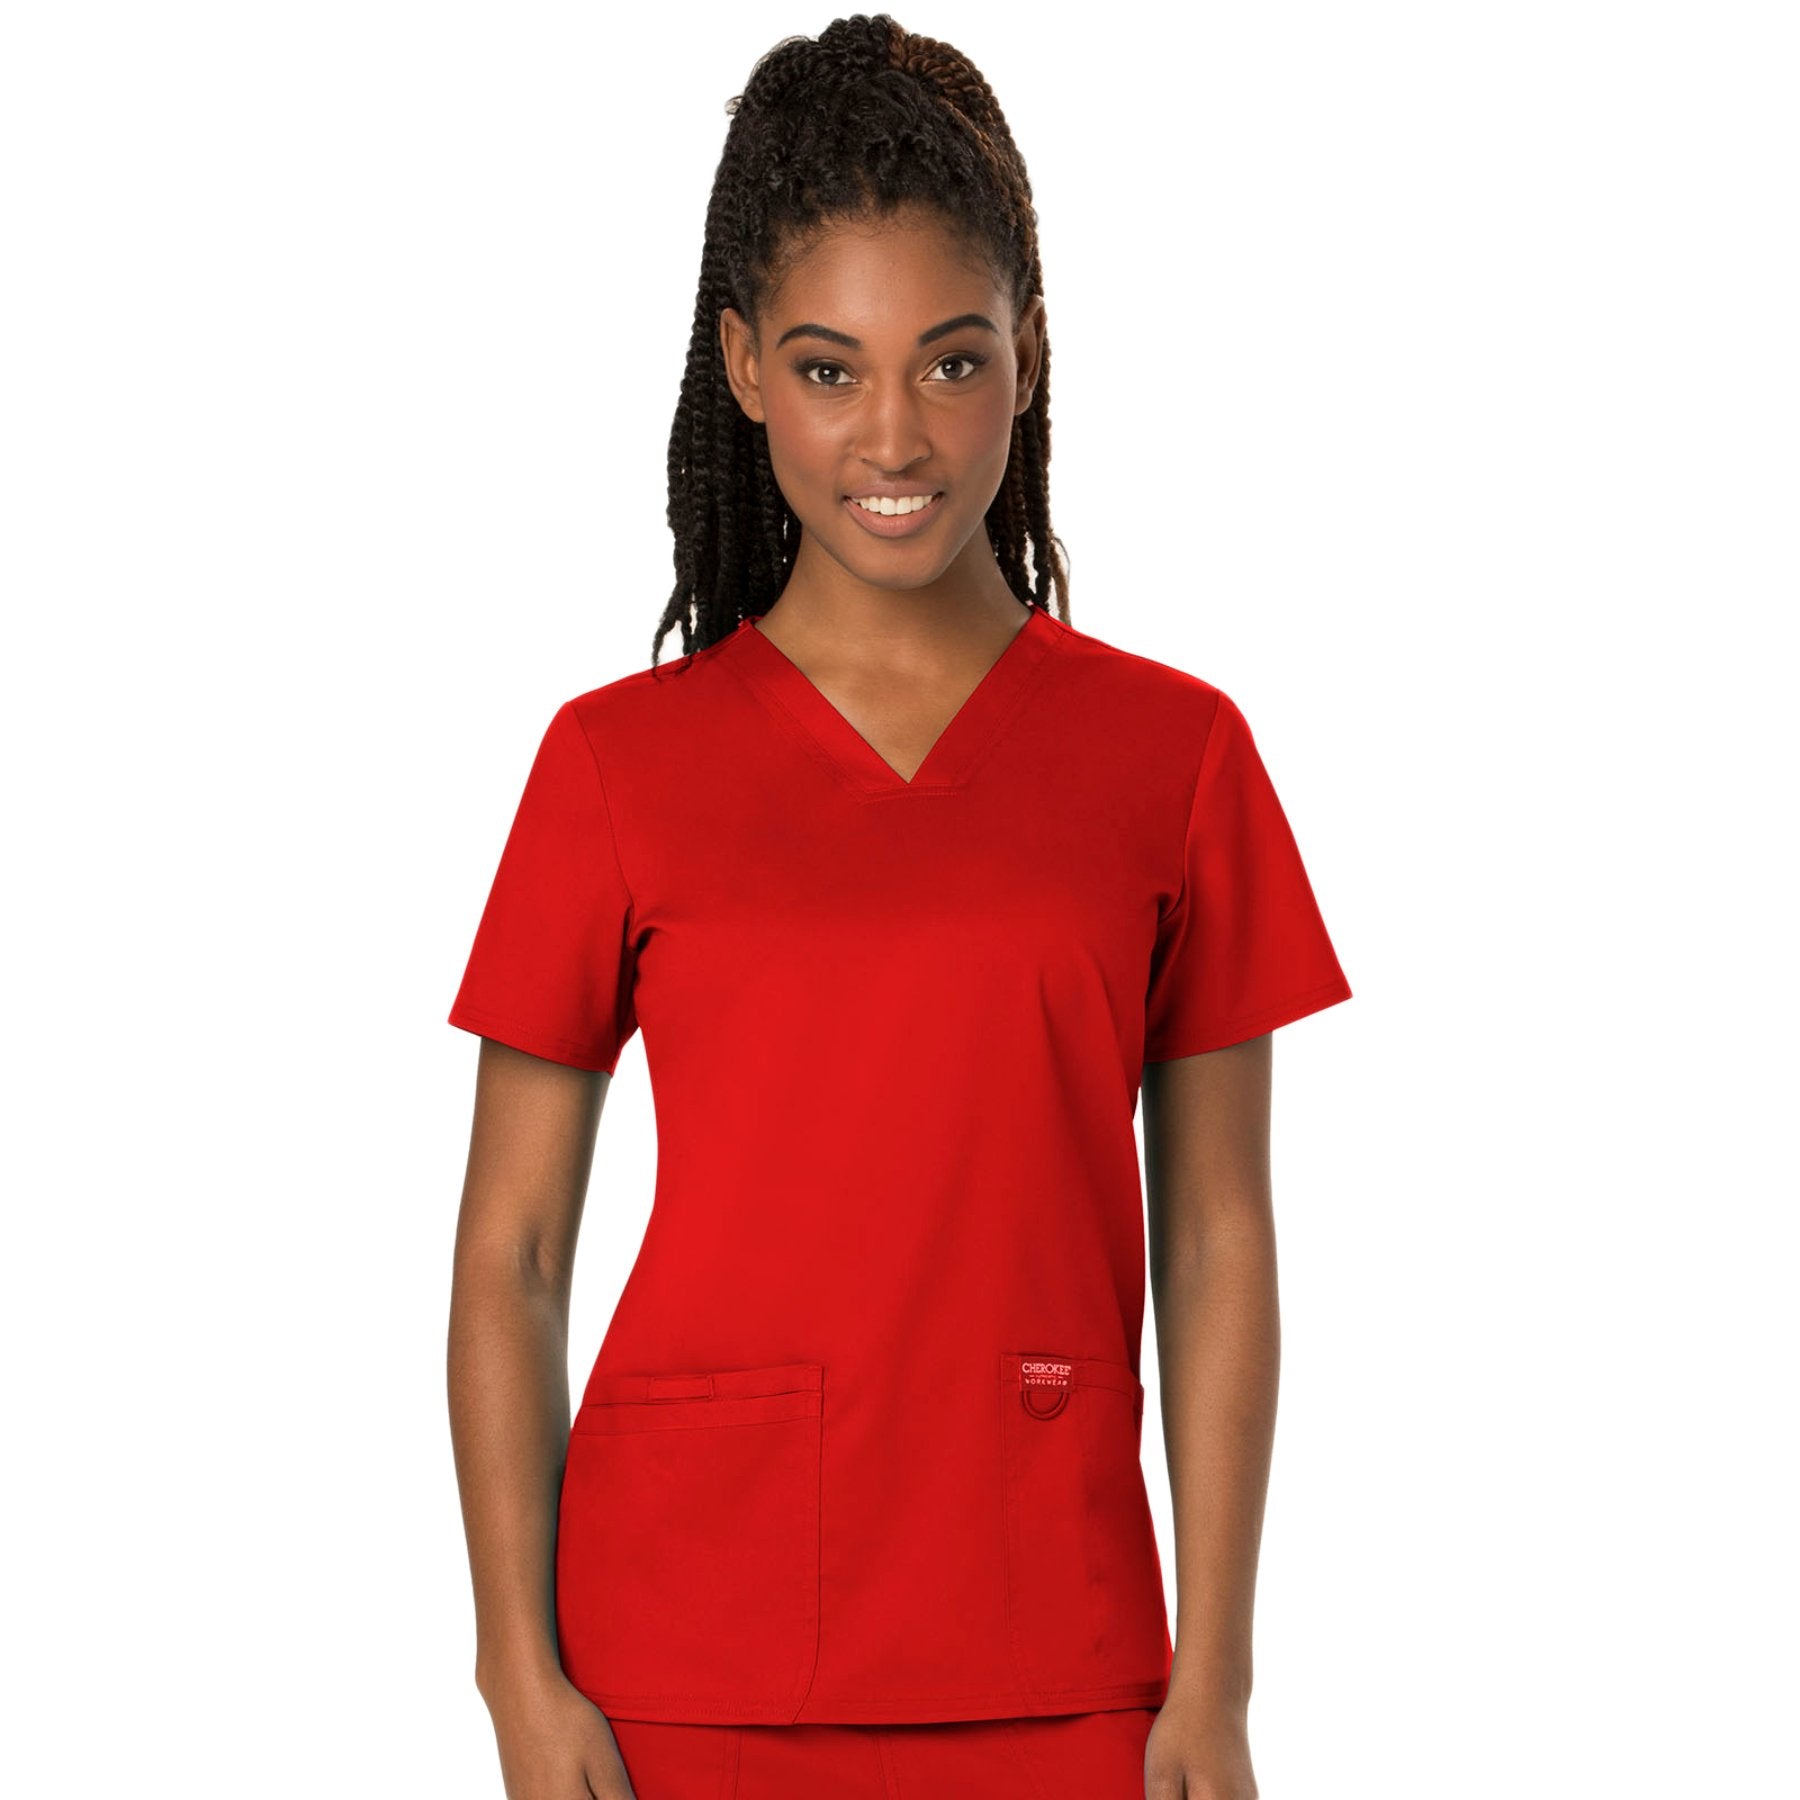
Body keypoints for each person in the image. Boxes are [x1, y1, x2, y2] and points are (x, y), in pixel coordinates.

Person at [445, 15, 1352, 1800]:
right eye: (827, 366)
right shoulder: (613, 765)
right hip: (677, 1657)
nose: (894, 434)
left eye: (950, 362)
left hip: (1063, 1651)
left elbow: (1219, 1238)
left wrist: (1219, 1681)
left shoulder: (1176, 758)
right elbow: (513, 1257)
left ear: (1029, 355)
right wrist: (516, 1682)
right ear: (742, 367)